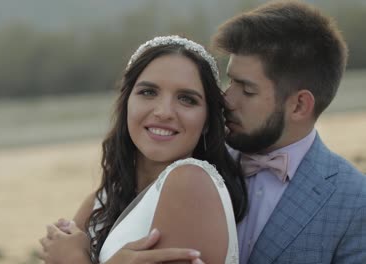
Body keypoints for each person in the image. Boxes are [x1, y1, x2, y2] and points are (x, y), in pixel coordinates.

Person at [38, 35, 248, 264]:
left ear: (207, 120)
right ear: (127, 101)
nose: (164, 112)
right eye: (148, 92)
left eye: (187, 99)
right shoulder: (102, 201)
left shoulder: (190, 183)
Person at [213, 1, 366, 263]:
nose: (227, 99)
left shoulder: (356, 201)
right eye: (230, 81)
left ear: (299, 105)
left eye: (247, 90)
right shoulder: (200, 162)